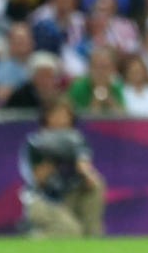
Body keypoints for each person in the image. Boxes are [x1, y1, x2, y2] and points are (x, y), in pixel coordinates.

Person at [19, 99, 106, 237]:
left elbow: (84, 165)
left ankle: (92, 234)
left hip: (69, 197)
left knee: (96, 184)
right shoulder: (36, 142)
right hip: (43, 200)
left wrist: (88, 176)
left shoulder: (76, 139)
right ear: (46, 117)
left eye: (65, 115)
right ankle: (34, 237)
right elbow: (37, 180)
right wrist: (50, 160)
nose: (61, 119)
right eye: (56, 114)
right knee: (71, 230)